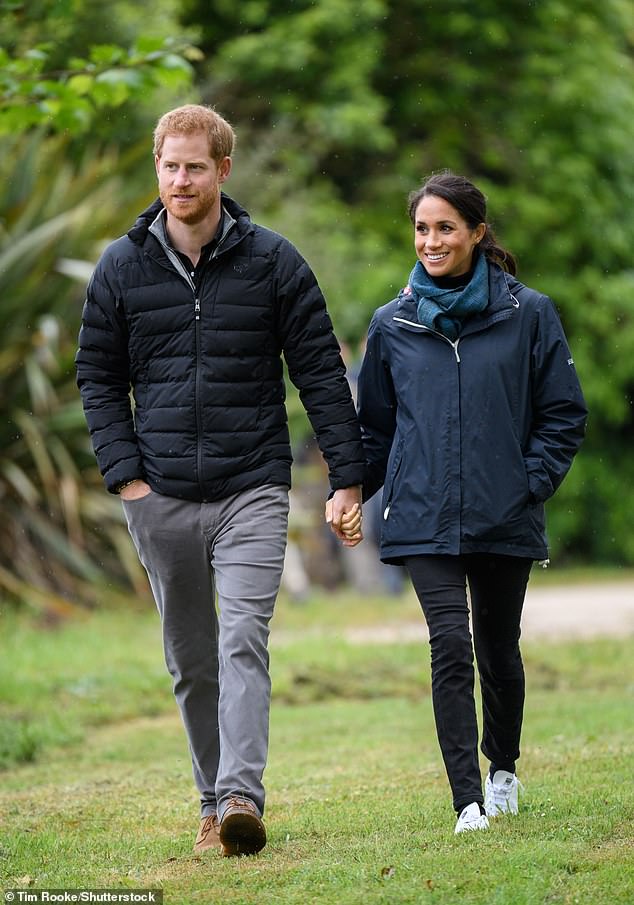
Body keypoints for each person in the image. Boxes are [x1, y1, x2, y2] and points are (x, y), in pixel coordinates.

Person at [75, 104, 364, 857]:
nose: (180, 179)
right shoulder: (122, 266)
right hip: (159, 493)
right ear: (157, 169)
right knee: (191, 658)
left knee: (242, 640)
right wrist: (127, 480)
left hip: (252, 488)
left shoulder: (274, 262)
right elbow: (97, 377)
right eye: (169, 166)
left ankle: (242, 796)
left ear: (222, 171)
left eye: (195, 166)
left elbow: (322, 375)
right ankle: (210, 803)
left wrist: (347, 476)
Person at [333, 171, 587, 834]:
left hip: (506, 512)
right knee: (450, 646)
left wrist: (529, 481)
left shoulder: (527, 313)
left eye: (445, 227)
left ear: (476, 231)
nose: (431, 240)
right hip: (422, 516)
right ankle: (466, 800)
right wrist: (351, 488)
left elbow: (563, 413)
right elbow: (377, 428)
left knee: (498, 649)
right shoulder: (392, 324)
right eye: (422, 228)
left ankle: (502, 767)